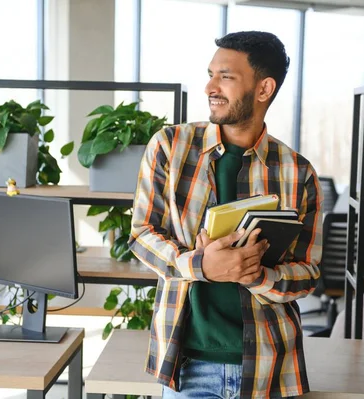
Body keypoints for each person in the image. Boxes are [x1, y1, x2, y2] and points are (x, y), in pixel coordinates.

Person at [129, 31, 323, 399]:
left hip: (270, 368)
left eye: (225, 77)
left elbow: (308, 274)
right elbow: (141, 235)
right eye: (210, 73)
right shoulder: (170, 147)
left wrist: (254, 273)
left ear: (264, 88)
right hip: (188, 367)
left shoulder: (299, 172)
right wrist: (201, 265)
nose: (209, 87)